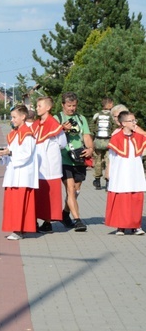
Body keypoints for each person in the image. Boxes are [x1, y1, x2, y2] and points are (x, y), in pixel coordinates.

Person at [0, 106, 38, 240]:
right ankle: (17, 228)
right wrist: (3, 153)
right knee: (12, 203)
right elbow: (11, 151)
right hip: (13, 173)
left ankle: (19, 229)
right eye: (11, 117)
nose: (12, 120)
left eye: (14, 117)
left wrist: (10, 153)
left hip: (22, 174)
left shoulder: (27, 134)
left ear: (23, 117)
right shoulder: (14, 134)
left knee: (19, 203)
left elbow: (26, 154)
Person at [105, 111, 146, 235]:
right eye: (131, 121)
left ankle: (136, 226)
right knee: (122, 199)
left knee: (136, 198)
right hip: (121, 173)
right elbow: (111, 157)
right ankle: (121, 226)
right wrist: (108, 170)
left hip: (135, 172)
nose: (134, 123)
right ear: (123, 123)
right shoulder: (116, 138)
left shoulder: (139, 138)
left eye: (135, 120)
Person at [58, 92, 93, 232]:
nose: (72, 108)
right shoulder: (57, 118)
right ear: (62, 105)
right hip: (64, 158)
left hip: (79, 158)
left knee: (76, 190)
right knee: (70, 189)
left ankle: (65, 214)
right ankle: (78, 220)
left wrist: (90, 148)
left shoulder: (81, 118)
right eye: (69, 106)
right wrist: (62, 129)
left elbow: (86, 135)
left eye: (74, 106)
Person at [31, 97, 67, 233]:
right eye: (37, 105)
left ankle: (47, 221)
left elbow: (62, 143)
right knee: (37, 194)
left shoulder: (54, 124)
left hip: (50, 165)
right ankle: (34, 220)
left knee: (49, 194)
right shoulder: (36, 124)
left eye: (39, 106)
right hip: (37, 165)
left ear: (48, 107)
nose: (37, 108)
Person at [91, 97, 115, 190]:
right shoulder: (112, 115)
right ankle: (108, 182)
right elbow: (114, 128)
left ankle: (97, 181)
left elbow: (92, 127)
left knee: (98, 161)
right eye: (111, 104)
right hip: (109, 141)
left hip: (97, 141)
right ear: (108, 105)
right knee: (109, 161)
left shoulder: (97, 115)